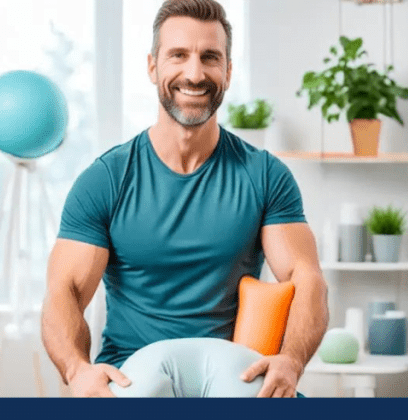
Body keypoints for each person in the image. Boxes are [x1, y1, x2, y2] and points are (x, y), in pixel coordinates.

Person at [40, 0, 328, 397]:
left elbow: (306, 279)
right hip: (133, 373)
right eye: (178, 55)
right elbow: (64, 292)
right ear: (152, 66)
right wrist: (77, 370)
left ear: (227, 71)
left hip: (234, 375)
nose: (194, 73)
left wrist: (291, 360)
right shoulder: (106, 180)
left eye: (210, 57)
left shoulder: (264, 175)